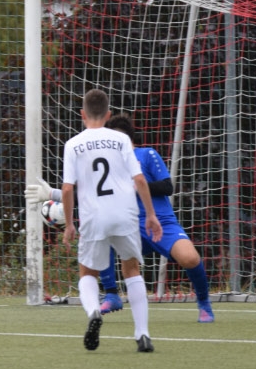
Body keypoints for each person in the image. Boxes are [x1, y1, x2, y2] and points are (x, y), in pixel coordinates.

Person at [28, 113, 215, 323]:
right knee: (102, 234)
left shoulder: (146, 154)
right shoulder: (107, 164)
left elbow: (167, 186)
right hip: (127, 224)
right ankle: (112, 295)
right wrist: (52, 194)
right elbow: (87, 194)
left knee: (190, 258)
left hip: (160, 223)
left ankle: (204, 303)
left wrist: (135, 187)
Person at [53, 88, 161, 353]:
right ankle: (143, 334)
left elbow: (67, 189)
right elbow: (139, 179)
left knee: (87, 272)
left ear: (82, 114)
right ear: (108, 114)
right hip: (124, 213)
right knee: (132, 270)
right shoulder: (122, 140)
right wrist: (151, 214)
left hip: (94, 216)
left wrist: (69, 224)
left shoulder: (73, 144)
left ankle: (93, 311)